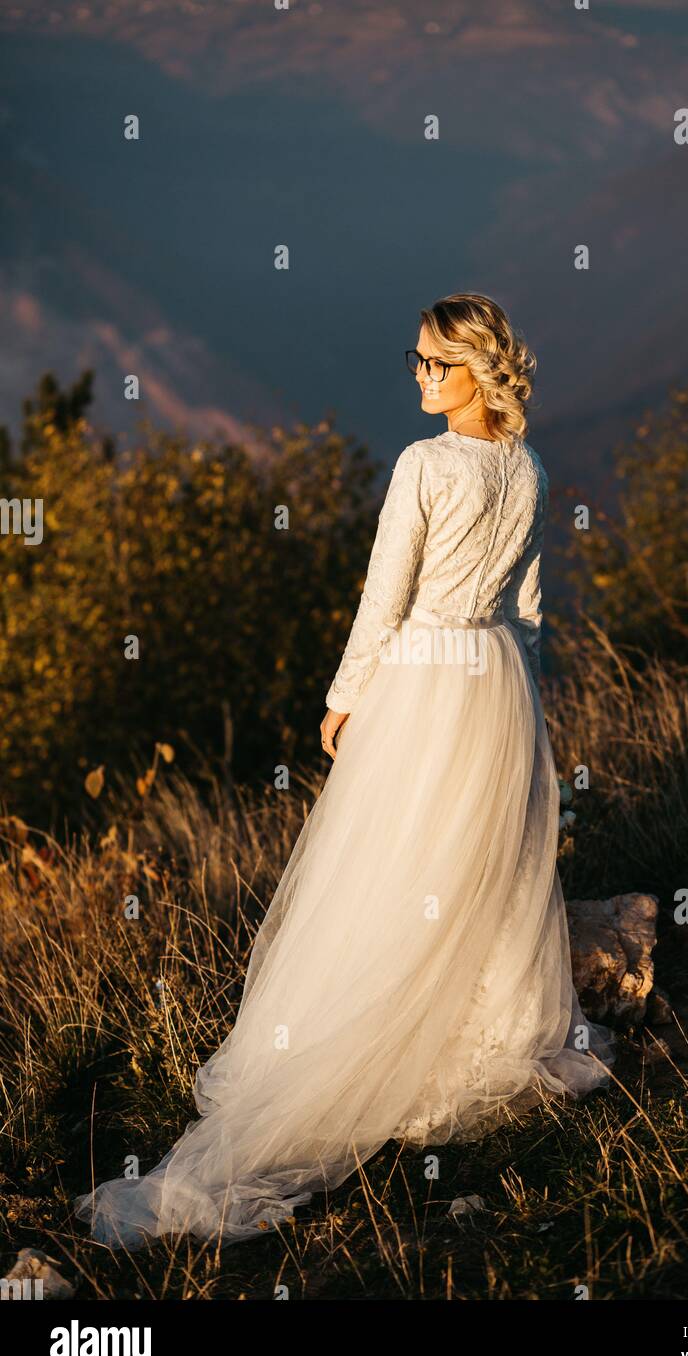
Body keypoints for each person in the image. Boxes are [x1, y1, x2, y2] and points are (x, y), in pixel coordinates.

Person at [76, 291, 615, 1248]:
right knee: (475, 865)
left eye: (433, 365)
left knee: (393, 863)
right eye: (415, 360)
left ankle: (365, 1029)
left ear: (476, 370)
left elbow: (386, 591)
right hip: (495, 680)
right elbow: (530, 607)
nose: (418, 377)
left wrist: (345, 694)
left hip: (426, 677)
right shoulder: (528, 467)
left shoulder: (425, 465)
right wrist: (525, 708)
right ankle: (476, 1029)